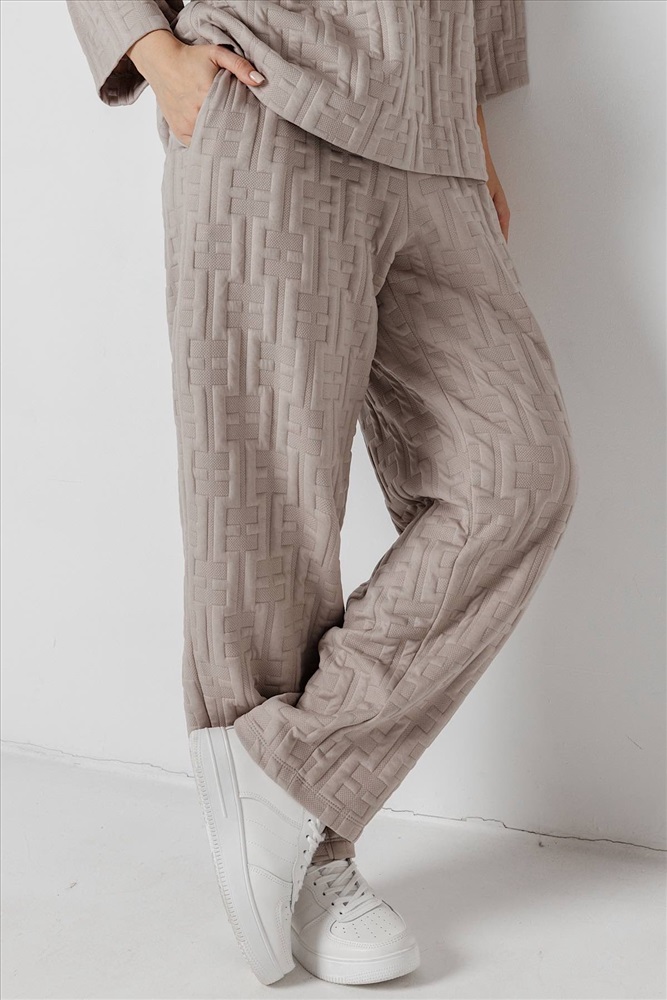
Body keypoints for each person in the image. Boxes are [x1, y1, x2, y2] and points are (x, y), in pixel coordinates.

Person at [66, 0, 580, 987]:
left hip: (434, 136)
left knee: (517, 475)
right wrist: (154, 53)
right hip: (271, 90)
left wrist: (468, 122)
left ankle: (282, 775)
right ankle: (314, 857)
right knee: (272, 508)